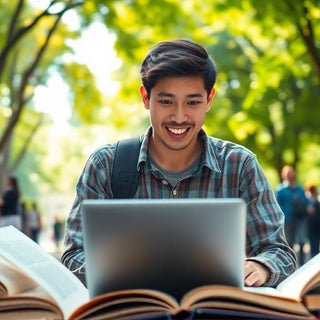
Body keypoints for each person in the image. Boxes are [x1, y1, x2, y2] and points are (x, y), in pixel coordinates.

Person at [61, 39, 297, 288]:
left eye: (193, 102)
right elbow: (74, 255)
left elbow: (279, 252)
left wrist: (260, 266)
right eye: (166, 101)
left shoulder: (240, 166)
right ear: (145, 97)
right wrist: (124, 274)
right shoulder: (105, 166)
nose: (179, 116)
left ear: (209, 99)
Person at [275, 165, 312, 265]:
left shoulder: (299, 188)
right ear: (283, 175)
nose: (290, 175)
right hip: (288, 220)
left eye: (291, 173)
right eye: (287, 173)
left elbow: (306, 200)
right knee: (289, 243)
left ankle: (302, 264)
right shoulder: (280, 190)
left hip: (300, 219)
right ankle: (290, 264)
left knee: (302, 242)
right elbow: (276, 205)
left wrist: (309, 206)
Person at [305, 183, 320, 258]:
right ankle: (315, 255)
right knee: (314, 240)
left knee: (313, 240)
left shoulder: (307, 198)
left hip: (311, 223)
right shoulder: (313, 199)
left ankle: (314, 255)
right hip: (315, 222)